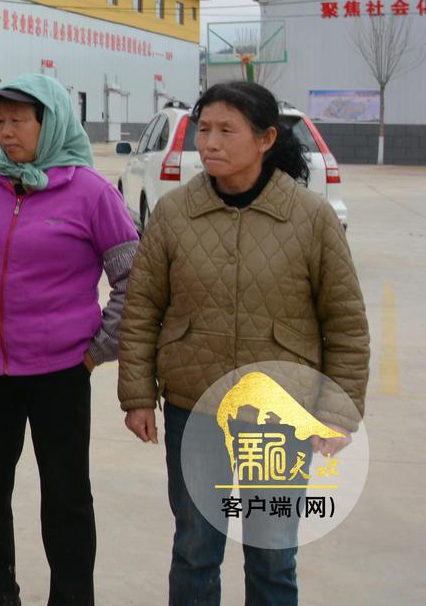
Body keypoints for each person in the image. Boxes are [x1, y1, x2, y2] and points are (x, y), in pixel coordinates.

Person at [118, 81, 370, 606]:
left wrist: (337, 412)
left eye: (226, 131)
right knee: (194, 548)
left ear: (265, 139)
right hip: (195, 407)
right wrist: (138, 395)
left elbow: (345, 323)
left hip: (280, 414)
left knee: (273, 554)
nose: (210, 142)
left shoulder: (311, 218)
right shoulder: (173, 213)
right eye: (204, 129)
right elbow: (142, 309)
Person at [0, 73, 137, 606]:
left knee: (66, 499)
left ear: (51, 124)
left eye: (19, 120)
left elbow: (132, 277)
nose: (6, 131)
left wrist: (98, 349)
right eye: (0, 120)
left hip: (60, 374)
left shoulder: (89, 191)